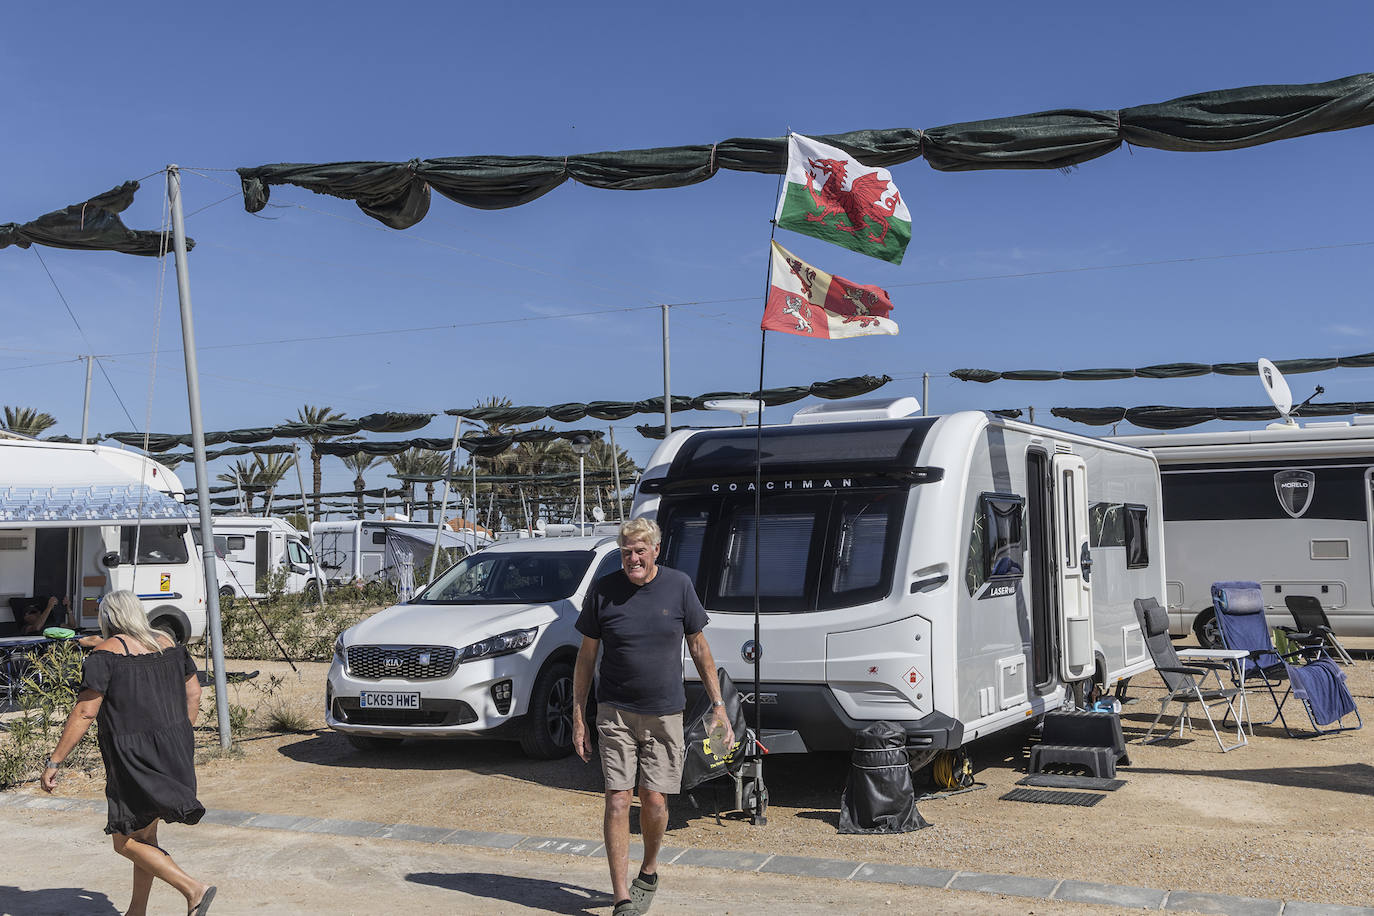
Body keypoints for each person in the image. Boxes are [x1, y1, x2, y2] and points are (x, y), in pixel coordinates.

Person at [572, 517, 733, 916]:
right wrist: (578, 714)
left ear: (656, 550)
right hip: (614, 713)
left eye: (640, 550)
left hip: (665, 713)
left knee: (656, 802)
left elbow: (699, 648)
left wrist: (719, 707)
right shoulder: (604, 591)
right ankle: (621, 897)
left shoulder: (678, 586)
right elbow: (587, 656)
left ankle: (649, 869)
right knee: (617, 800)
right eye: (626, 551)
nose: (633, 558)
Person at [41, 590, 217, 916]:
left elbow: (84, 713)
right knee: (144, 835)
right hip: (174, 750)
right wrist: (180, 735)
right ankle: (136, 911)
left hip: (132, 757)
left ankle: (193, 889)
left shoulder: (104, 656)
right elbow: (194, 693)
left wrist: (55, 761)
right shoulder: (168, 644)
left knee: (125, 842)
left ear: (108, 618)